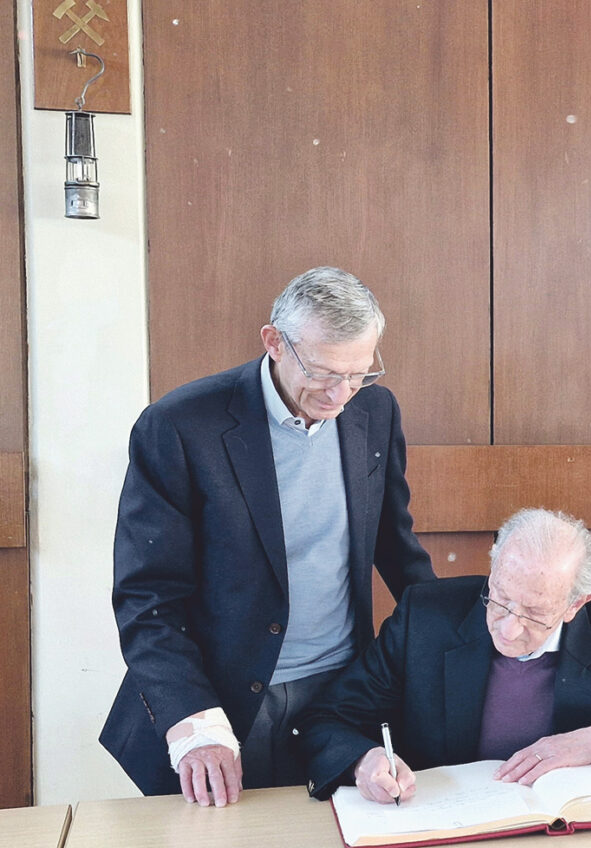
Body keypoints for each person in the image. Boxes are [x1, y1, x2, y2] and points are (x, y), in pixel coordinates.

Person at [100, 266, 435, 806]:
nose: (340, 394)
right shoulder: (181, 425)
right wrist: (191, 718)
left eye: (358, 374)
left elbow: (396, 547)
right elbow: (147, 596)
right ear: (274, 342)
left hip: (341, 692)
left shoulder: (376, 411)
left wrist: (456, 640)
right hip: (221, 698)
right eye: (325, 372)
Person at [295, 507, 591, 803]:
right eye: (499, 599)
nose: (509, 627)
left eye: (536, 613)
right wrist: (364, 759)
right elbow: (327, 718)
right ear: (494, 568)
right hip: (445, 827)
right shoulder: (426, 617)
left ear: (576, 604)